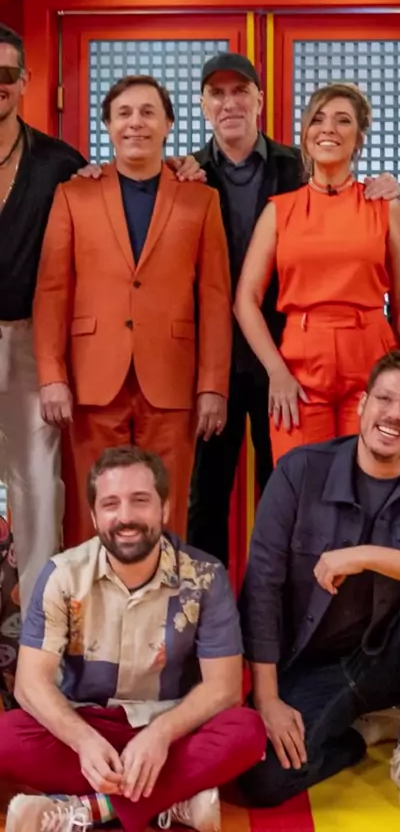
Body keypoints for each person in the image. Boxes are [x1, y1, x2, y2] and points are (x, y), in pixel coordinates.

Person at [239, 349, 400, 818]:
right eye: (384, 399)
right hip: (313, 666)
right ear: (363, 404)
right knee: (264, 779)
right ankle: (358, 735)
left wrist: (366, 555)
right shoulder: (300, 472)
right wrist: (267, 698)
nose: (394, 415)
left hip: (396, 659)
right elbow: (261, 587)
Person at [188, 54, 400, 567]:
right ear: (204, 105)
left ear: (260, 100)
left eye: (241, 91)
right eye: (217, 94)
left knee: (288, 491)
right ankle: (209, 606)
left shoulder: (293, 167)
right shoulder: (188, 174)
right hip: (216, 356)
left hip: (290, 357)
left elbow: (349, 218)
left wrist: (387, 187)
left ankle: (304, 598)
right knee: (207, 493)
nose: (229, 103)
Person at [0, 446, 266, 832]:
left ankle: (91, 809)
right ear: (94, 516)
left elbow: (223, 688)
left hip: (172, 728)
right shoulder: (62, 575)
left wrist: (161, 733)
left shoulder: (205, 576)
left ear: (165, 509)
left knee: (247, 731)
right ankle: (173, 800)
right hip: (88, 723)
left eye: (140, 501)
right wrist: (83, 740)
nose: (125, 517)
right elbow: (30, 684)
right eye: (111, 504)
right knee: (5, 737)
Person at [33, 74, 232, 549]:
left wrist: (213, 385)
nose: (135, 123)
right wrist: (52, 375)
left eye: (147, 113)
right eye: (123, 114)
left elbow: (215, 298)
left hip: (171, 379)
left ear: (168, 124)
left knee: (165, 504)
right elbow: (52, 290)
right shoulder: (74, 194)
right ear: (107, 125)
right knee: (92, 508)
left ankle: (163, 598)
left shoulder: (200, 197)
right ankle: (92, 598)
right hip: (91, 380)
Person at [234, 83, 400, 464]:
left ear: (359, 137)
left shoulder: (383, 207)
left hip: (371, 358)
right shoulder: (280, 210)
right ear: (305, 134)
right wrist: (276, 371)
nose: (328, 129)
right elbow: (245, 301)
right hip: (300, 365)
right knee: (304, 480)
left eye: (343, 120)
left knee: (370, 479)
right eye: (318, 119)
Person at [0, 24, 87, 616]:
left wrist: (182, 169)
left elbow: (110, 213)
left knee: (36, 483)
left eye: (6, 74)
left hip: (33, 338)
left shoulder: (59, 162)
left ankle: (37, 624)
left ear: (25, 81)